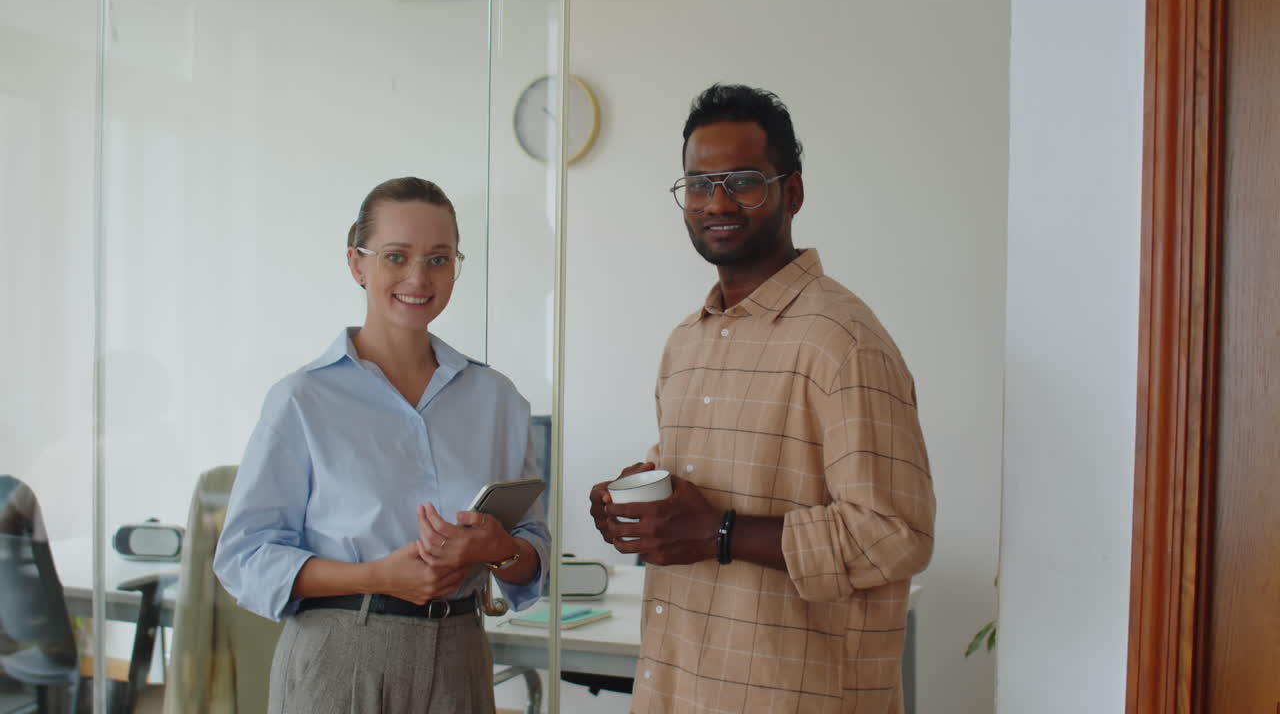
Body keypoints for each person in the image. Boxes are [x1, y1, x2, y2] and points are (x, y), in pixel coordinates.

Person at [589, 84, 936, 714]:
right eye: (698, 184)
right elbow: (701, 483)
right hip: (678, 687)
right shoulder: (686, 342)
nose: (716, 202)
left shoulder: (843, 341)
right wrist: (635, 499)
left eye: (743, 180)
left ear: (792, 192)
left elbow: (896, 535)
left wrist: (719, 532)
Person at [214, 177, 549, 714]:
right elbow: (244, 558)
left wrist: (495, 549)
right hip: (339, 656)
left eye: (439, 259)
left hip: (460, 654)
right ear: (357, 264)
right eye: (396, 256)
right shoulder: (302, 399)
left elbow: (533, 551)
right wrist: (376, 575)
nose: (419, 278)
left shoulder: (497, 398)